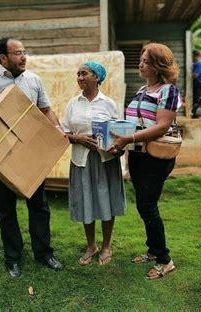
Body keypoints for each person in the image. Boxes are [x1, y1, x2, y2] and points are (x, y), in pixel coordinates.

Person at [0, 37, 64, 278]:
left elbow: (46, 109)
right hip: (3, 156)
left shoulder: (34, 80)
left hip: (32, 153)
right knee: (6, 210)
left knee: (39, 206)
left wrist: (58, 130)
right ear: (3, 58)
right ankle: (13, 258)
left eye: (24, 52)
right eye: (17, 53)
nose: (24, 57)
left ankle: (44, 253)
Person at [110, 43, 180, 279]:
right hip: (138, 154)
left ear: (159, 65)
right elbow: (136, 122)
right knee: (144, 205)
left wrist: (128, 137)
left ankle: (165, 260)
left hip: (156, 157)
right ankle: (152, 250)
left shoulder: (168, 91)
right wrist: (121, 140)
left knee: (148, 208)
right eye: (141, 59)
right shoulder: (142, 90)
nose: (141, 64)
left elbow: (161, 126)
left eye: (146, 61)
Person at [62, 61, 126, 266]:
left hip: (105, 161)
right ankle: (91, 245)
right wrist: (78, 139)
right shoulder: (73, 104)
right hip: (81, 160)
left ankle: (106, 245)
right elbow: (64, 133)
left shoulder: (108, 103)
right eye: (78, 74)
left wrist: (117, 146)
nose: (80, 77)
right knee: (85, 202)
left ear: (96, 77)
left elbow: (119, 132)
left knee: (106, 201)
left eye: (84, 74)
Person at [192, 50, 201, 118]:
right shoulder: (195, 64)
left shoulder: (200, 64)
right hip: (196, 86)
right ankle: (195, 115)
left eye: (192, 56)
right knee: (196, 101)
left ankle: (197, 116)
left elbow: (195, 75)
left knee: (199, 101)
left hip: (199, 86)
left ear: (195, 56)